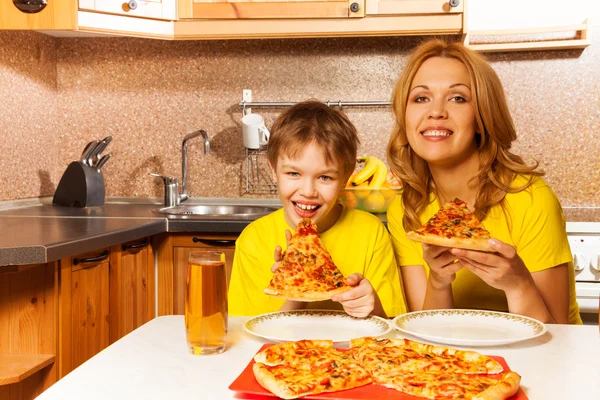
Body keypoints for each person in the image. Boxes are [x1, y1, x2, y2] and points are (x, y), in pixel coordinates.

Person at [386, 39, 581, 324]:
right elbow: (429, 332)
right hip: (456, 362)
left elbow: (557, 337)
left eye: (458, 98)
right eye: (420, 98)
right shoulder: (407, 208)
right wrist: (439, 282)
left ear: (482, 118)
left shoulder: (530, 200)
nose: (436, 111)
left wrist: (518, 284)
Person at [228, 100, 406, 318]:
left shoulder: (372, 233)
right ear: (274, 170)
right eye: (294, 174)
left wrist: (370, 306)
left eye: (325, 177)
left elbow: (387, 328)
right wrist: (296, 285)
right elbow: (249, 336)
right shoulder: (253, 240)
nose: (308, 191)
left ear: (346, 177)